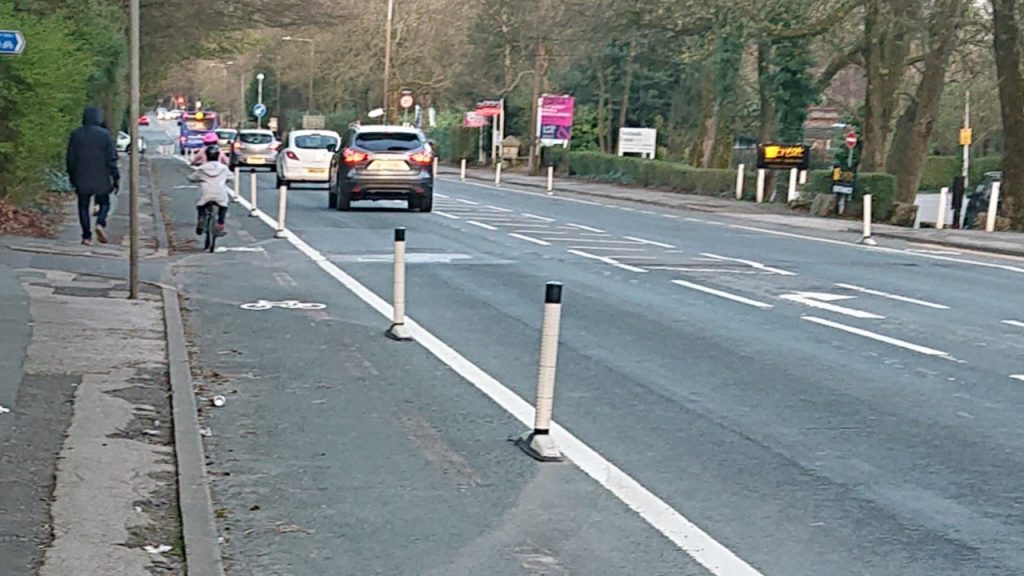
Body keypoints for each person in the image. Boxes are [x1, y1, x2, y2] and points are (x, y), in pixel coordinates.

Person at [66, 106, 119, 245]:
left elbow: (70, 158)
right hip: (101, 177)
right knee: (105, 203)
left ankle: (86, 236)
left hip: (81, 176)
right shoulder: (105, 135)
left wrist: (72, 177)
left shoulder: (76, 134)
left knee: (83, 206)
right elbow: (112, 158)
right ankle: (100, 223)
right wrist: (116, 177)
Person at [188, 145, 232, 237]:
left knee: (200, 206)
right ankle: (221, 225)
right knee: (223, 207)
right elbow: (231, 177)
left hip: (206, 193)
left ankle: (201, 219)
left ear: (206, 156)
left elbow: (191, 178)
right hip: (220, 193)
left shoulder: (202, 168)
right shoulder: (223, 168)